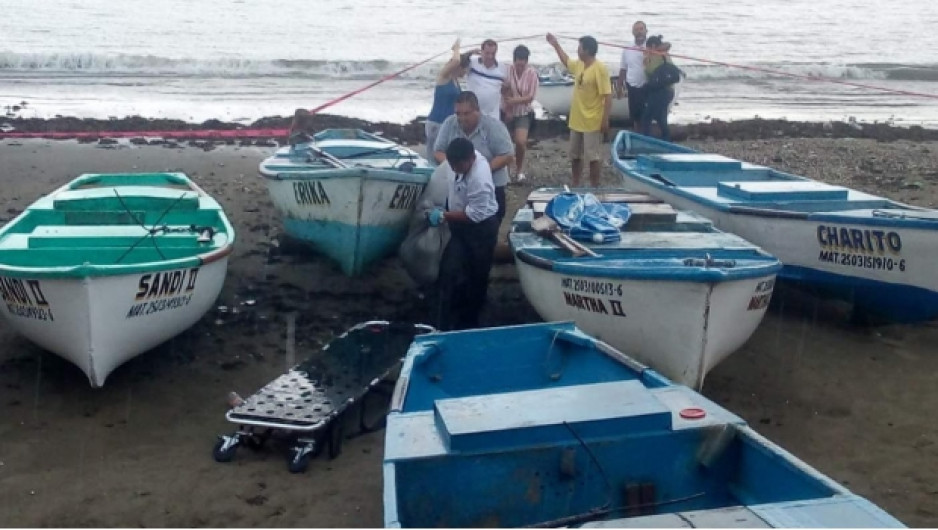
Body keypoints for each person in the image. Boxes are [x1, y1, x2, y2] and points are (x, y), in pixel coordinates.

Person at [426, 138, 499, 330]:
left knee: (477, 276)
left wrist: (443, 216)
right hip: (458, 225)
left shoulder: (480, 179)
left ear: (470, 160)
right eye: (452, 165)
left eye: (458, 166)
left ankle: (472, 322)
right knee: (449, 270)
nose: (454, 169)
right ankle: (443, 321)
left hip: (481, 228)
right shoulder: (453, 164)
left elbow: (474, 215)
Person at [433, 91, 513, 223]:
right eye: (458, 113)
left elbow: (507, 154)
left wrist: (479, 170)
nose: (461, 118)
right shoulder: (449, 123)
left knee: (488, 220)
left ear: (477, 110)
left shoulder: (493, 126)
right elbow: (438, 151)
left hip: (491, 183)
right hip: (458, 185)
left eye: (466, 113)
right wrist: (455, 166)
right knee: (457, 223)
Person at [546, 33, 612, 188]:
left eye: (580, 47)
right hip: (576, 118)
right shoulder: (580, 65)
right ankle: (576, 183)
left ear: (587, 50)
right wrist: (555, 44)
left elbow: (607, 96)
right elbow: (566, 61)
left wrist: (605, 119)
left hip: (592, 119)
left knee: (593, 156)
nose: (577, 50)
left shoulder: (600, 69)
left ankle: (594, 184)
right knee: (575, 155)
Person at [425, 39, 473, 164]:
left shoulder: (455, 80)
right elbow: (457, 60)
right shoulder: (444, 77)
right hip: (436, 123)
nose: (466, 72)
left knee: (447, 158)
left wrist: (471, 52)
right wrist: (456, 48)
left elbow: (460, 59)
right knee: (434, 159)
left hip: (448, 125)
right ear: (459, 67)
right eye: (465, 69)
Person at [502, 45, 539, 183]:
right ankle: (506, 170)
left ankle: (519, 169)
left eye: (523, 61)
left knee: (520, 142)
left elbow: (530, 97)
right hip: (506, 110)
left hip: (523, 112)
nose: (521, 64)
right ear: (514, 60)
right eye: (518, 60)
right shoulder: (508, 70)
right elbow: (504, 89)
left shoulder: (531, 74)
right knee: (505, 143)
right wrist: (509, 108)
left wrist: (515, 101)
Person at [641, 35, 680, 142]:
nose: (646, 49)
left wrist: (646, 61)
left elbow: (650, 72)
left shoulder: (655, 56)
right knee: (660, 116)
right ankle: (665, 138)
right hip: (669, 90)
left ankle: (647, 140)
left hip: (659, 91)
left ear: (652, 46)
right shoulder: (665, 54)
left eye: (648, 47)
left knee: (647, 117)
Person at [465, 39, 509, 120]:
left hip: (492, 115)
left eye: (493, 54)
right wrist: (470, 52)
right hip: (472, 114)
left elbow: (505, 91)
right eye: (487, 53)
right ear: (481, 51)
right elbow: (455, 62)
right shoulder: (472, 63)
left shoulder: (502, 68)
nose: (490, 57)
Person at [616, 21, 648, 130]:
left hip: (647, 86)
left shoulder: (652, 46)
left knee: (646, 115)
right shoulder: (627, 48)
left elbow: (667, 47)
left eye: (641, 29)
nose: (639, 32)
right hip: (632, 86)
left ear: (646, 31)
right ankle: (636, 134)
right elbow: (623, 68)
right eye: (636, 30)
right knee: (634, 116)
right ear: (633, 32)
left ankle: (646, 136)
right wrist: (619, 87)